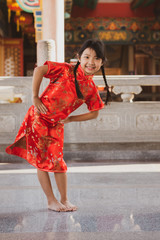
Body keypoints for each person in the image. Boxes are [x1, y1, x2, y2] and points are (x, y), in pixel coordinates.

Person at [6, 39, 110, 212]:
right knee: (43, 161)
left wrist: (70, 119)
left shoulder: (91, 87)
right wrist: (35, 96)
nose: (91, 62)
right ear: (79, 57)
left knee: (58, 163)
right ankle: (51, 200)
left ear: (101, 62)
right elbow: (39, 69)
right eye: (87, 57)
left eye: (96, 58)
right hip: (38, 118)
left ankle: (64, 199)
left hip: (56, 125)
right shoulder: (65, 69)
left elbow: (95, 112)